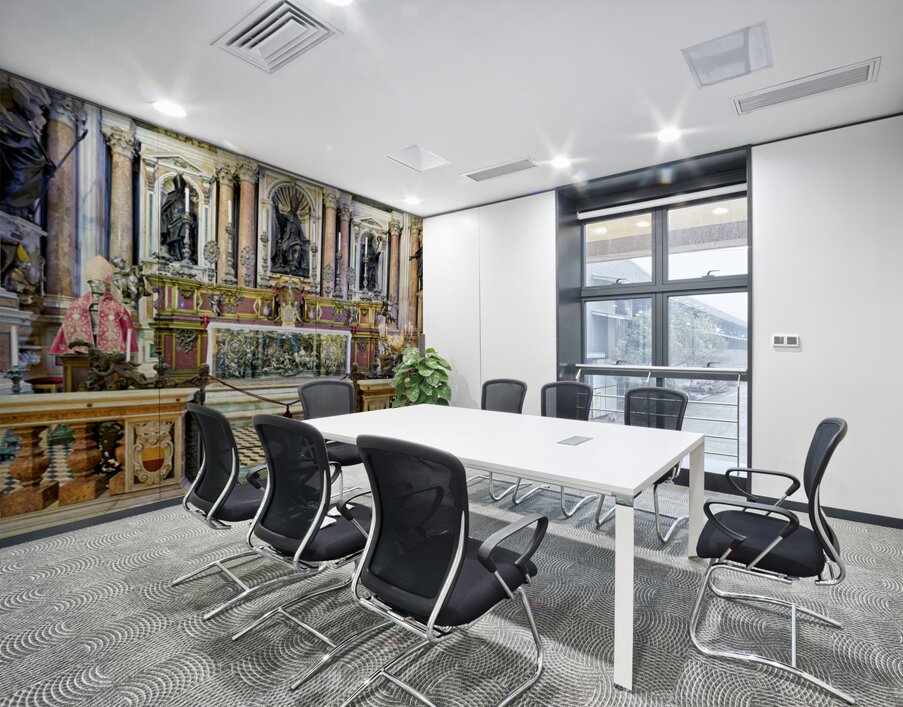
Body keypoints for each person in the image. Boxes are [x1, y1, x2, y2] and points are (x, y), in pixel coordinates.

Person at [50, 255, 136, 355]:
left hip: (109, 355)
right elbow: (67, 327)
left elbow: (127, 328)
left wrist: (128, 350)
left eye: (99, 283)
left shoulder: (117, 307)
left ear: (106, 285)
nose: (96, 286)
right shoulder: (77, 305)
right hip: (81, 355)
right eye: (93, 283)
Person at [159, 174, 196, 262]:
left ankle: (184, 256)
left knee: (184, 236)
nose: (180, 189)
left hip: (184, 222)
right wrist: (165, 222)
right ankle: (175, 255)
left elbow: (193, 213)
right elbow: (164, 211)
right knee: (174, 238)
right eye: (178, 187)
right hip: (173, 222)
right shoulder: (171, 197)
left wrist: (191, 219)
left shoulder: (188, 200)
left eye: (181, 187)